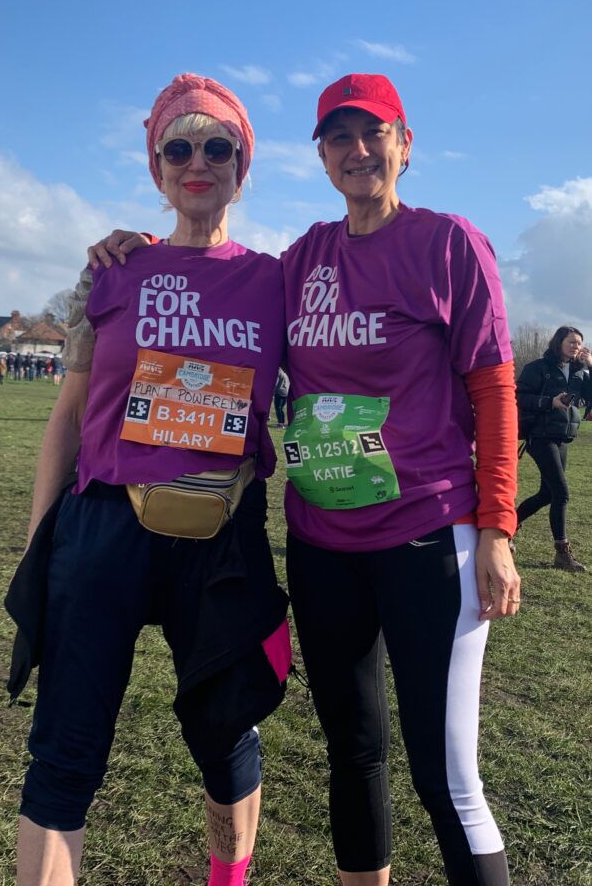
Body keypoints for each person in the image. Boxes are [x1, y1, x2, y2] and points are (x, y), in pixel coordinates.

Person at [90, 73, 521, 886]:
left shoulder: (447, 243)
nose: (358, 151)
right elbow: (215, 274)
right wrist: (140, 251)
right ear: (321, 157)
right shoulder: (303, 261)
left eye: (375, 133)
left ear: (405, 143)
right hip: (323, 540)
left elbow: (494, 390)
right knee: (352, 749)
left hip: (429, 534)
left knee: (445, 775)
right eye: (339, 138)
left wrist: (497, 530)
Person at [5, 73, 290, 886]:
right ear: (156, 166)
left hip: (223, 534)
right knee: (64, 748)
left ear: (244, 164)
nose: (197, 162)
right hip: (103, 531)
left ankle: (226, 880)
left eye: (218, 146)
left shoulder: (276, 279)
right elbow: (67, 416)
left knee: (227, 732)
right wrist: (41, 542)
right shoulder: (112, 271)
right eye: (178, 146)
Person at [516, 326, 589, 572]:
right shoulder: (538, 368)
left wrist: (590, 366)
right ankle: (562, 553)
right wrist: (549, 402)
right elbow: (519, 397)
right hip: (540, 436)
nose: (576, 346)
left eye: (579, 343)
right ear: (558, 342)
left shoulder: (579, 372)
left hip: (562, 438)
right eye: (571, 341)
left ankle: (509, 524)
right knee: (562, 493)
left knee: (547, 494)